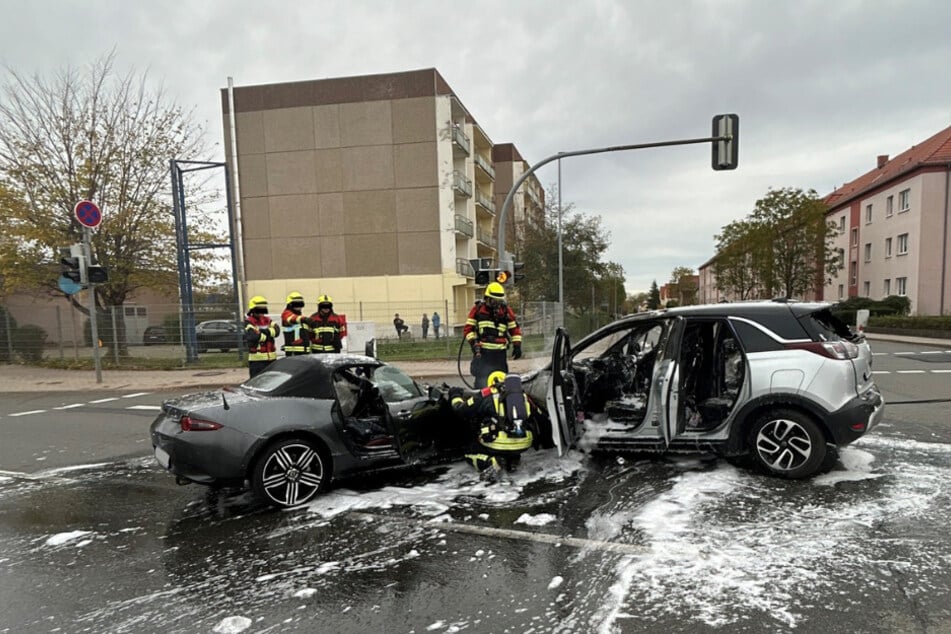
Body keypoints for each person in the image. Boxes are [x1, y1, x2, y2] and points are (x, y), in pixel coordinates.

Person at [448, 371, 535, 482]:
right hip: (523, 443)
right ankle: (513, 460)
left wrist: (455, 395)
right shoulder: (523, 397)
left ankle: (491, 461)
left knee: (469, 454)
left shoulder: (487, 395)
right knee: (509, 448)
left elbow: (461, 410)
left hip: (498, 443)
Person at [463, 282, 523, 388]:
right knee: (482, 385)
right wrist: (473, 343)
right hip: (483, 354)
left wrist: (517, 345)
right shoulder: (477, 310)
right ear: (487, 298)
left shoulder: (505, 311)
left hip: (499, 354)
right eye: (494, 300)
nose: (497, 303)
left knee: (502, 384)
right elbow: (468, 329)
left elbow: (515, 329)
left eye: (499, 301)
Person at [244, 295, 278, 378]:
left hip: (271, 360)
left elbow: (277, 331)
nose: (262, 311)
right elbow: (254, 337)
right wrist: (269, 335)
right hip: (257, 361)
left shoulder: (268, 320)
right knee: (256, 383)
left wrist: (262, 332)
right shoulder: (248, 322)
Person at [281, 291, 309, 355]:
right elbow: (292, 318)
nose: (299, 307)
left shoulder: (300, 318)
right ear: (290, 304)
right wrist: (305, 319)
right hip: (293, 352)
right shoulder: (286, 314)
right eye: (296, 304)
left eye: (301, 304)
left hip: (303, 352)